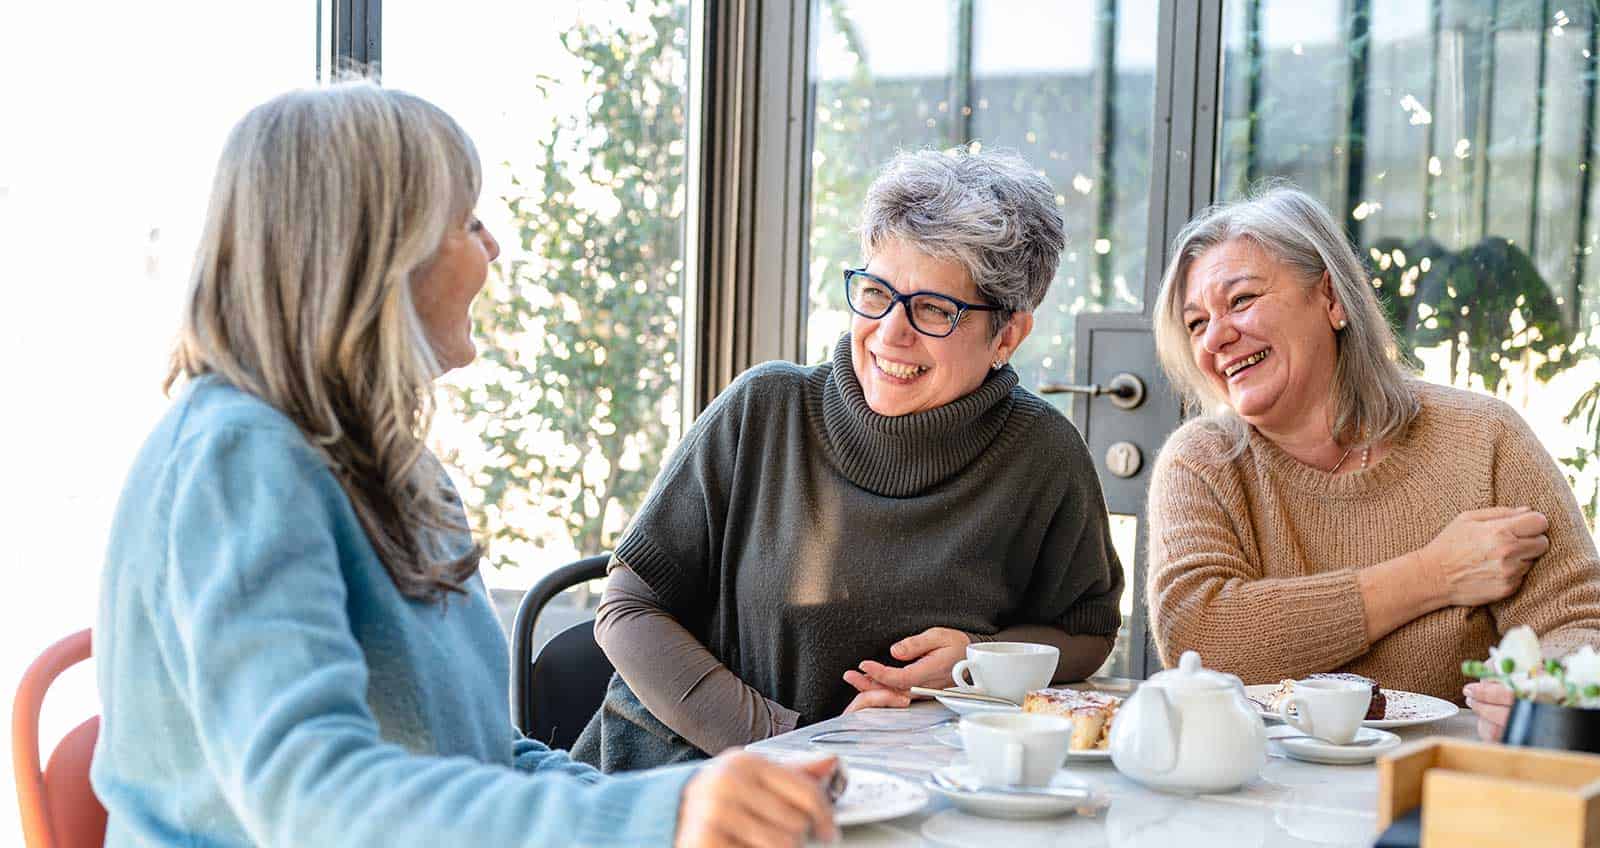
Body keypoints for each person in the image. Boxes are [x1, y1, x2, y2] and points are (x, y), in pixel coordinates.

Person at [91, 81, 838, 847]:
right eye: (468, 221)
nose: (493, 249)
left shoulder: (401, 474)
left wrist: (689, 803)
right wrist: (654, 817)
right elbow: (311, 799)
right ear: (376, 253)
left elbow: (488, 755)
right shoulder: (237, 459)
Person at [572, 148, 1125, 771]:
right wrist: (795, 740)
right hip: (686, 782)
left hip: (906, 796)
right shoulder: (765, 409)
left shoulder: (1042, 453)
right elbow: (627, 608)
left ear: (1007, 335)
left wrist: (979, 656)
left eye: (935, 310)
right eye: (875, 292)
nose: (891, 332)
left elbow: (1085, 631)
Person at [1144, 184, 1600, 740]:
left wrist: (1540, 688)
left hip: (1440, 783)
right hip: (1257, 784)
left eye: (1240, 300)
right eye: (1196, 324)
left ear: (1332, 299)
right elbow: (1201, 638)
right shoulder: (1201, 463)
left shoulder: (1485, 437)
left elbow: (1578, 621)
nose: (1216, 336)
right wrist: (1435, 575)